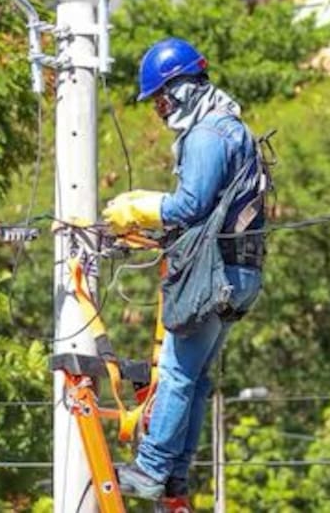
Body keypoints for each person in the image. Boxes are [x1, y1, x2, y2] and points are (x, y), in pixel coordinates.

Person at [102, 37, 267, 501]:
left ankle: (152, 468)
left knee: (176, 373)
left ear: (182, 88)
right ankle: (175, 473)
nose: (160, 110)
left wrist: (142, 209)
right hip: (239, 272)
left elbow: (190, 205)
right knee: (194, 377)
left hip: (214, 275)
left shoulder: (207, 134)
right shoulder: (232, 128)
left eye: (161, 99)